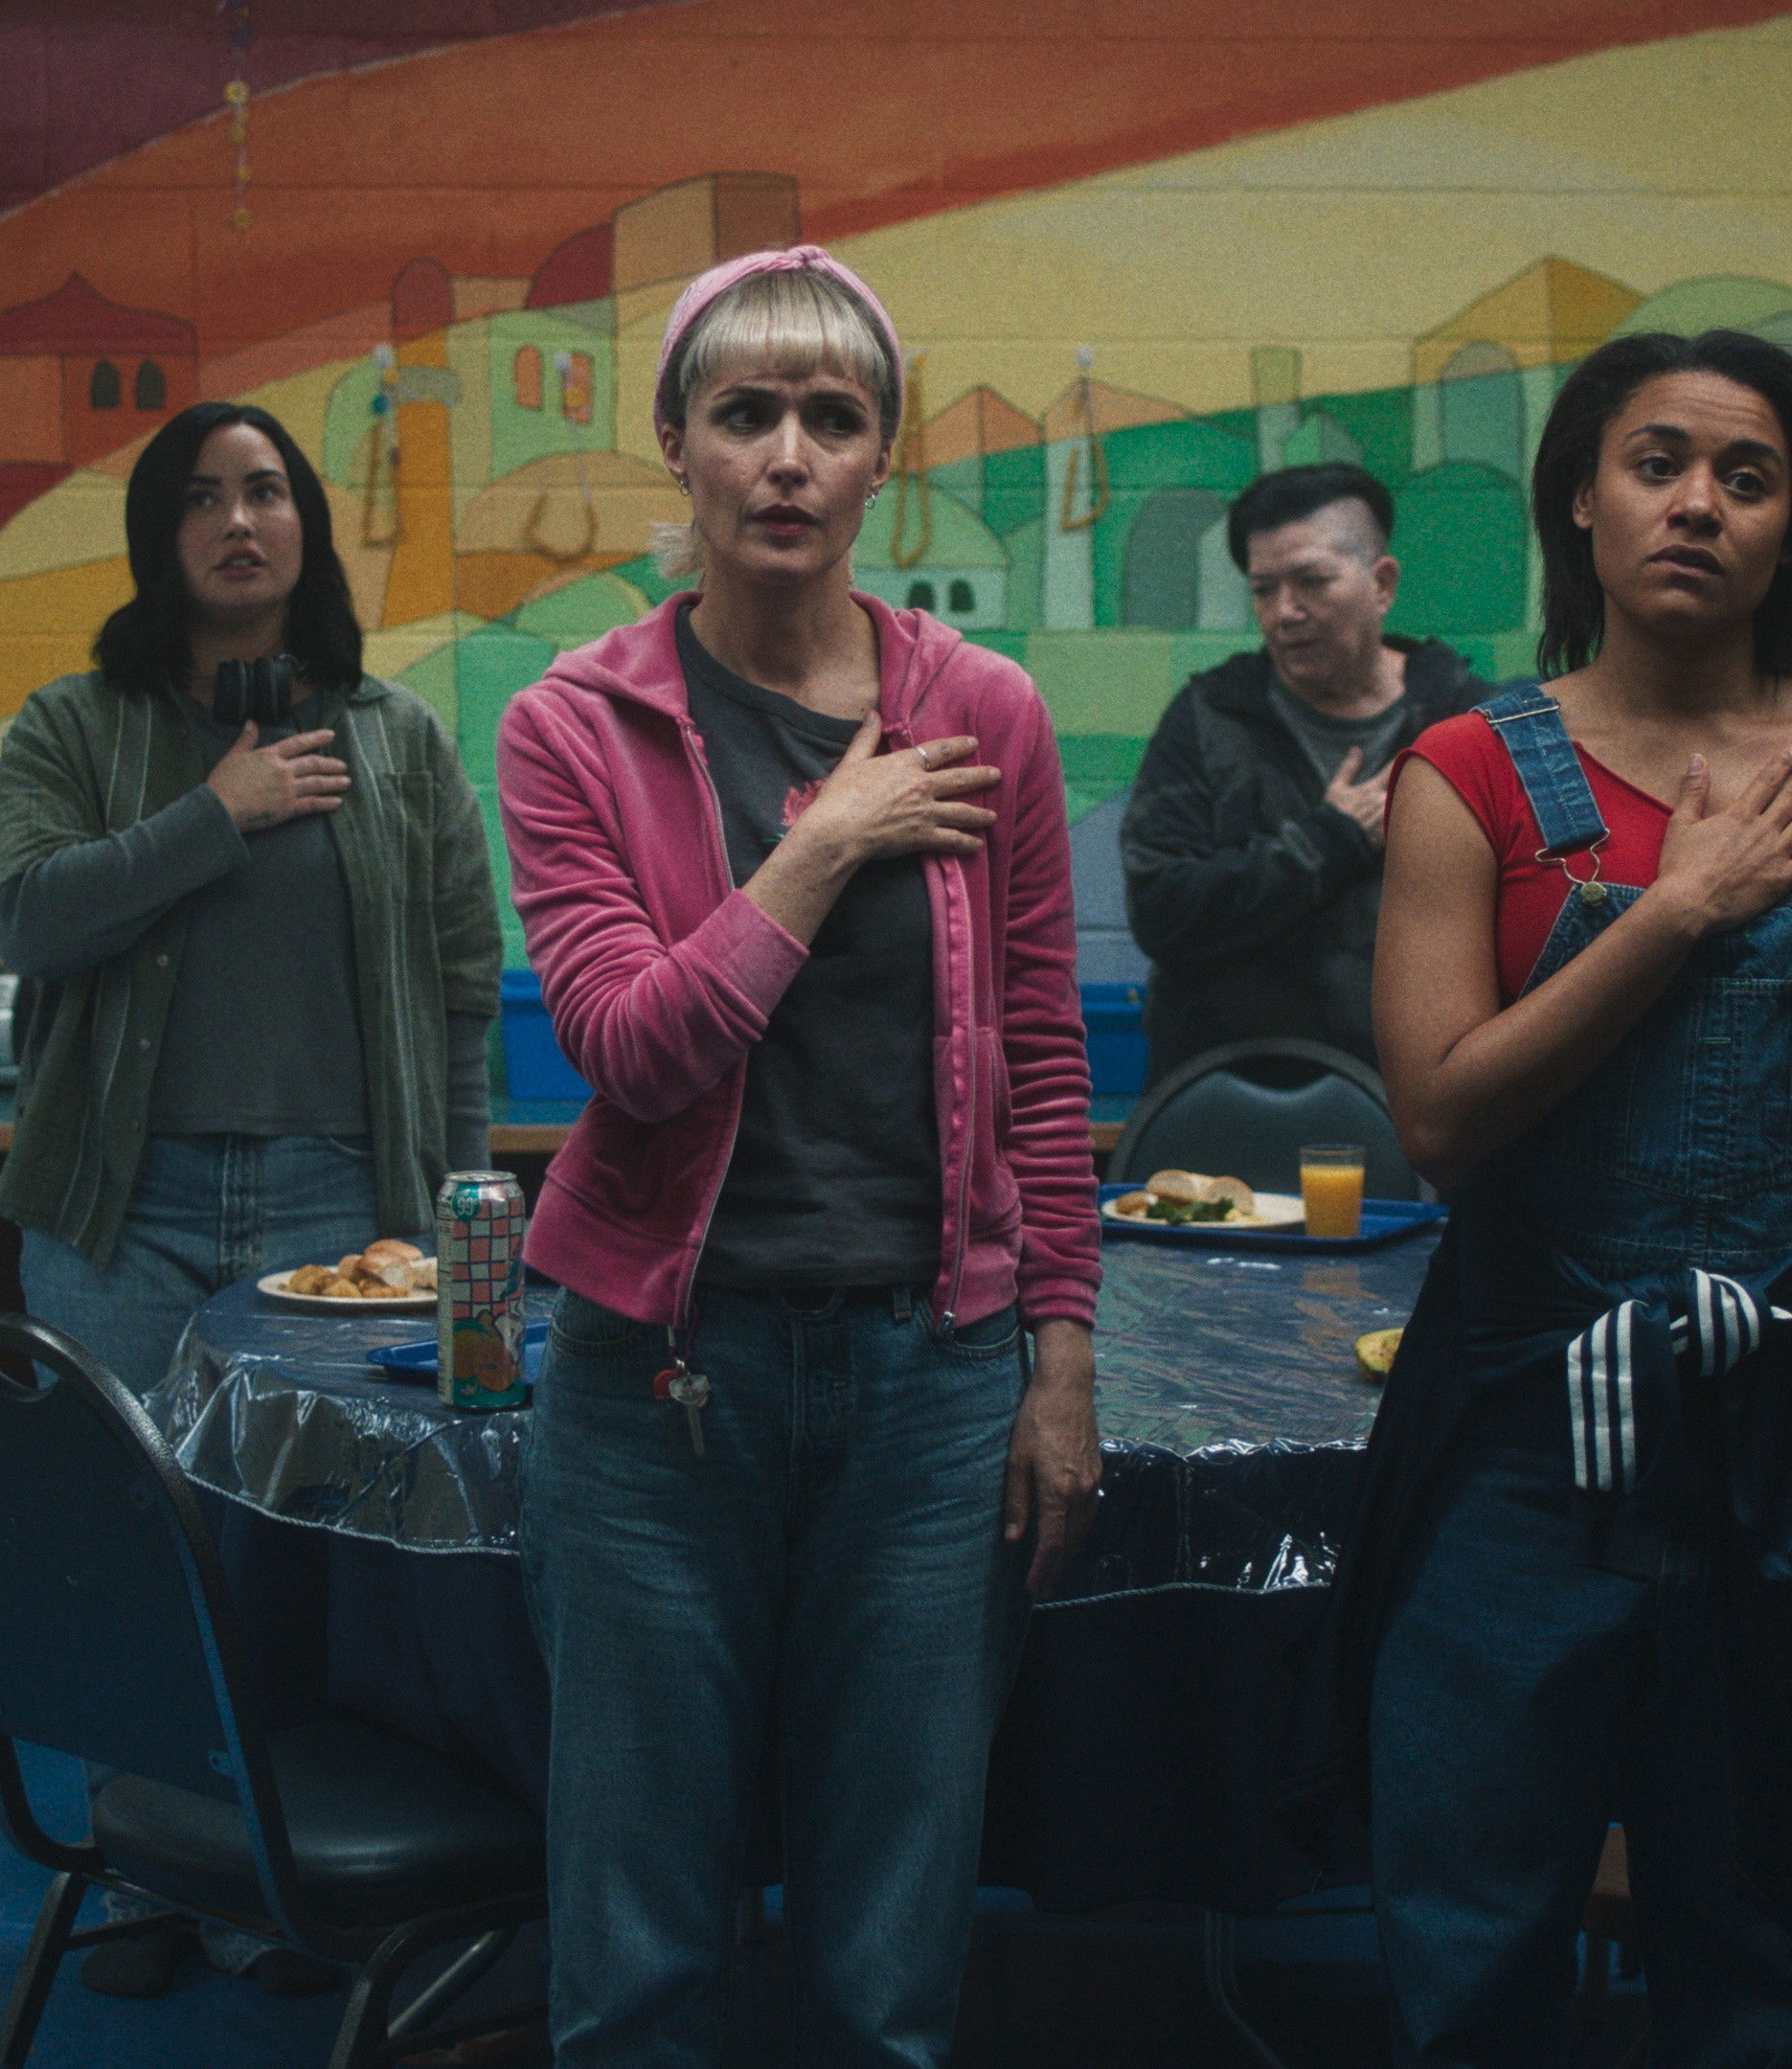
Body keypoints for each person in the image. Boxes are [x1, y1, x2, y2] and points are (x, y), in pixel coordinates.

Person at [1307, 330, 1792, 2067]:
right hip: (1525, 1425)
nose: (1699, 503)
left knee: (1779, 1930)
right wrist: (1681, 910)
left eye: (1748, 478)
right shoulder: (1466, 773)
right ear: (1582, 503)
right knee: (1475, 1916)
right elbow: (1443, 1121)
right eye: (1658, 463)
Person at [494, 245, 1101, 2069]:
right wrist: (826, 841)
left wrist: (1061, 1360)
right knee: (636, 1955)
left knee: (887, 1963)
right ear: (674, 441)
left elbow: (1043, 1055)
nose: (785, 456)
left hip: (932, 1382)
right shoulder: (570, 725)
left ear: (880, 460)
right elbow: (633, 1048)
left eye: (831, 419)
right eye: (743, 412)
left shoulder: (983, 713)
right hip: (656, 1384)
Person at [0, 397, 501, 1995]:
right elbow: (27, 918)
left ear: (305, 526)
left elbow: (461, 982)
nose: (238, 519)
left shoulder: (395, 735)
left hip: (344, 1209)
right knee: (140, 1545)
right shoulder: (75, 726)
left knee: (305, 1552)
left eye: (266, 489)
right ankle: (148, 1867)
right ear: (163, 537)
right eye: (201, 496)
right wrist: (220, 813)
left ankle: (278, 1887)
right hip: (123, 1205)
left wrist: (460, 1219)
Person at [1120, 462, 1494, 1077]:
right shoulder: (1211, 717)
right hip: (1230, 1089)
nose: (1284, 612)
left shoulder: (1465, 722)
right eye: (1263, 590)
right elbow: (1163, 912)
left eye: (1312, 582)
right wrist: (1328, 840)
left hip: (1422, 1094)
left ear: (1382, 584)